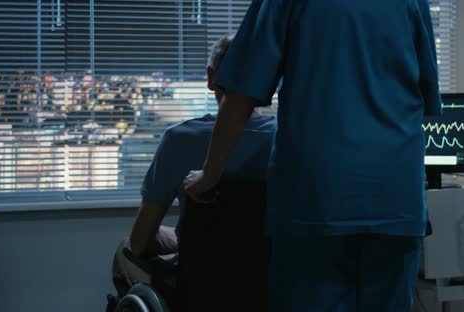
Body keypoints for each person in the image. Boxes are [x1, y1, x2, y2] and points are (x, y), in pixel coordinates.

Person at [183, 1, 442, 311]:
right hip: (396, 197)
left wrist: (209, 174)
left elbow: (240, 96)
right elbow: (424, 94)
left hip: (317, 199)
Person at [112, 34, 276, 292]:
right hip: (269, 285)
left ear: (212, 78)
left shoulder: (179, 140)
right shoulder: (287, 140)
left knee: (125, 249)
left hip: (199, 286)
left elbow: (141, 241)